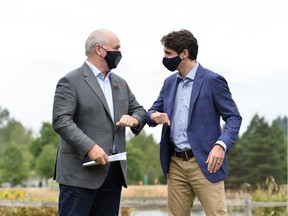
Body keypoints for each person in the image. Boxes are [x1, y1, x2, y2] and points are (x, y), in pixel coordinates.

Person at [146, 29, 242, 216]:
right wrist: (154, 116)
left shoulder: (213, 81)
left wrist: (220, 146)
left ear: (184, 53)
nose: (164, 58)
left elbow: (233, 117)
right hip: (175, 164)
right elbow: (151, 112)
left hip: (206, 163)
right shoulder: (169, 83)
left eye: (168, 53)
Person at [52, 28, 146, 216]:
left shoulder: (120, 83)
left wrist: (134, 120)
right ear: (99, 49)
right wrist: (89, 147)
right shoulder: (70, 81)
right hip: (79, 176)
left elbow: (140, 111)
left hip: (113, 175)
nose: (119, 53)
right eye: (116, 48)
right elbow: (61, 120)